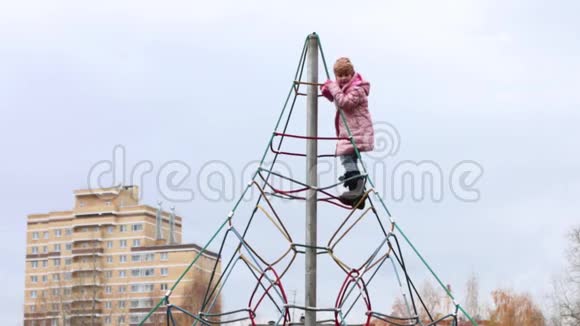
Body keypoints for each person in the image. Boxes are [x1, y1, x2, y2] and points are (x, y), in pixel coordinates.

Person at [321, 57, 374, 207]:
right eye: (340, 76)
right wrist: (327, 88)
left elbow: (344, 103)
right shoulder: (345, 88)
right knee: (349, 158)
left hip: (357, 131)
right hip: (350, 131)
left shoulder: (358, 89)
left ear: (352, 74)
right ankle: (357, 196)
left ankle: (356, 184)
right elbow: (335, 97)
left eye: (346, 75)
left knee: (345, 156)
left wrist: (333, 87)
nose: (343, 78)